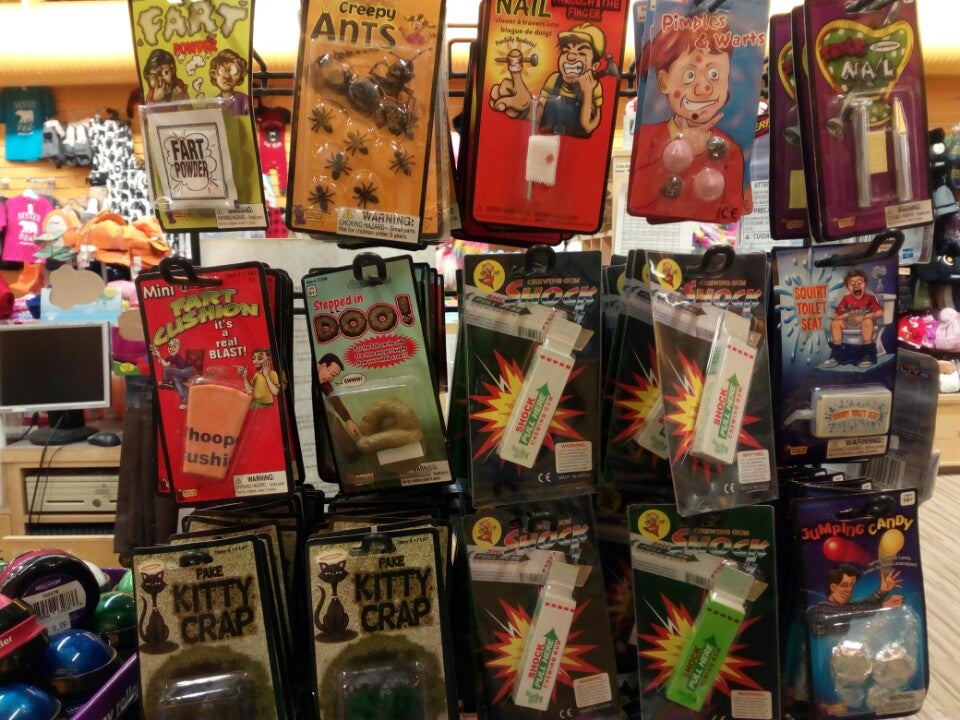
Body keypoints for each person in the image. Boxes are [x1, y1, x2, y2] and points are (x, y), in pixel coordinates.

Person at [630, 21, 745, 222]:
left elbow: (731, 210)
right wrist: (684, 153)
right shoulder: (647, 137)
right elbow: (637, 199)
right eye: (689, 75)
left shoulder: (731, 151)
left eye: (714, 74)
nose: (703, 89)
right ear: (663, 81)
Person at [488, 23, 607, 139]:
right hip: (546, 141)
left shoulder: (593, 87)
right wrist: (524, 109)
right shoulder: (554, 79)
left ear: (594, 66)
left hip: (578, 147)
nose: (570, 57)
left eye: (581, 53)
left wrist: (587, 92)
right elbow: (538, 116)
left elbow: (588, 126)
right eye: (566, 51)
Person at [807, 562, 904, 637]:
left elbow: (860, 606)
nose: (849, 589)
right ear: (833, 587)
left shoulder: (845, 607)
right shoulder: (818, 611)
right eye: (844, 585)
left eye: (852, 585)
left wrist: (882, 591)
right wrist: (884, 605)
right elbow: (854, 611)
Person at [822, 269, 884, 369]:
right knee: (835, 324)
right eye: (852, 284)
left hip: (865, 325)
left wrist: (863, 317)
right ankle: (836, 355)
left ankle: (867, 355)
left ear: (865, 284)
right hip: (849, 324)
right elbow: (838, 315)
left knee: (867, 322)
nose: (856, 285)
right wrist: (843, 316)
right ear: (848, 287)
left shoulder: (870, 298)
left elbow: (880, 312)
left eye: (860, 282)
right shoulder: (846, 299)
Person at [316, 353, 360, 459]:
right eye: (332, 374)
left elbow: (334, 398)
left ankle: (352, 452)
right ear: (323, 366)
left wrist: (348, 420)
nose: (332, 379)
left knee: (332, 421)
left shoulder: (322, 377)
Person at [152, 337, 195, 409]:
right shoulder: (171, 357)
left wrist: (159, 356)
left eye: (174, 346)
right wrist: (158, 355)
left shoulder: (175, 356)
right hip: (183, 374)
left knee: (166, 370)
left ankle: (167, 382)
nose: (171, 349)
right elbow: (161, 362)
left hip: (187, 371)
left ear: (179, 346)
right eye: (170, 347)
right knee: (177, 380)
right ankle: (186, 398)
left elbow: (165, 365)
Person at [209, 49, 251, 116]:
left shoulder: (244, 99)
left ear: (242, 73)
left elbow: (250, 118)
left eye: (233, 70)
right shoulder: (212, 104)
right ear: (213, 74)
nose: (227, 76)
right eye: (221, 71)